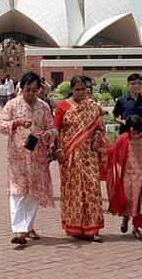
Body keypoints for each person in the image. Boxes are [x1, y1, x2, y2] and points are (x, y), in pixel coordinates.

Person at [0, 72, 59, 244]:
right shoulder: (12, 105)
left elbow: (54, 129)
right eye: (28, 90)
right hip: (17, 156)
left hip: (38, 155)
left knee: (34, 193)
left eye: (35, 90)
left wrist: (47, 134)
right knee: (17, 191)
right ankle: (19, 230)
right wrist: (16, 122)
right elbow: (0, 124)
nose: (31, 93)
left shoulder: (44, 107)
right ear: (21, 88)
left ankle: (28, 226)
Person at [54, 75, 108, 242]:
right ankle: (75, 228)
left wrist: (98, 133)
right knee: (73, 190)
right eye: (77, 90)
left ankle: (93, 229)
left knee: (92, 188)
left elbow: (99, 126)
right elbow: (57, 130)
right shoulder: (62, 107)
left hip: (89, 154)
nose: (80, 93)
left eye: (83, 89)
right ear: (71, 90)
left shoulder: (92, 106)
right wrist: (59, 150)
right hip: (70, 154)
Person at [106, 115, 142, 240]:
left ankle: (136, 229)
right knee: (129, 202)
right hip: (127, 177)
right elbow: (112, 152)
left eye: (136, 132)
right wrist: (98, 149)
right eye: (132, 131)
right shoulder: (122, 139)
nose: (134, 134)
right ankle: (126, 218)